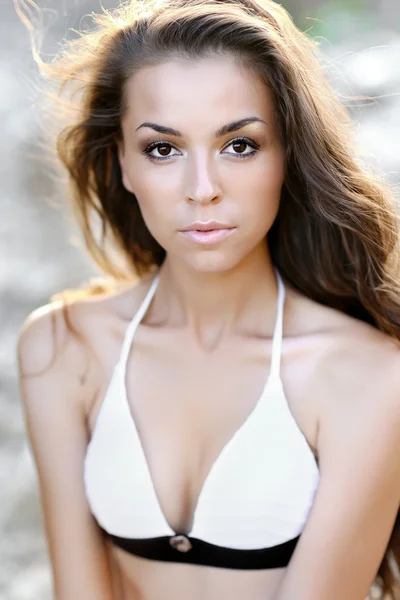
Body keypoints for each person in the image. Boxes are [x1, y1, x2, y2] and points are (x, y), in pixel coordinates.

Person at [15, 0, 400, 598]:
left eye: (239, 145)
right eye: (163, 149)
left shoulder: (369, 375)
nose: (202, 190)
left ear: (287, 155)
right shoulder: (63, 347)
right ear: (122, 162)